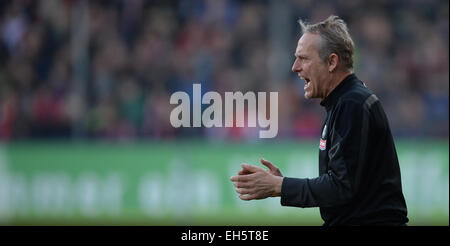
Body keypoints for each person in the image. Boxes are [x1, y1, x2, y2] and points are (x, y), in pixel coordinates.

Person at [230, 15, 409, 226]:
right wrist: (279, 184)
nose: (295, 67)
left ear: (332, 62)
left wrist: (280, 186)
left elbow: (341, 187)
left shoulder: (352, 104)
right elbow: (344, 188)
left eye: (304, 58)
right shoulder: (344, 103)